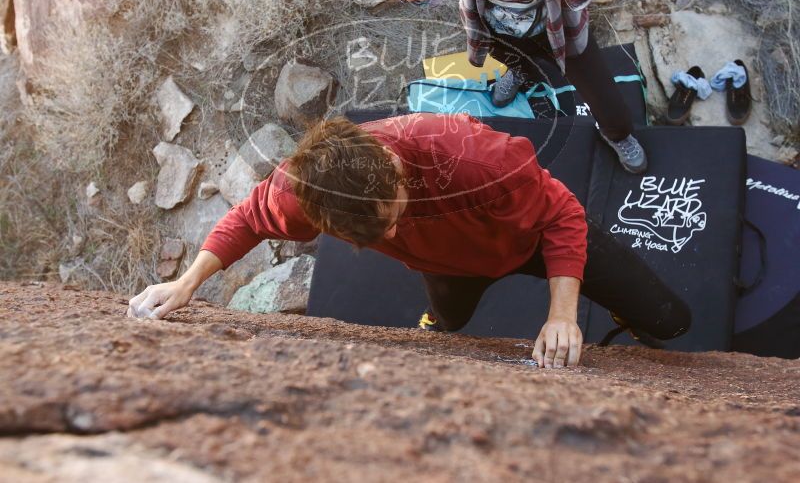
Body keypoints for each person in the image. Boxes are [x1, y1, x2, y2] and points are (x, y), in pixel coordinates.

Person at [128, 113, 690, 369]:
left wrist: (562, 314)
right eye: (378, 235)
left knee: (670, 320)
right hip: (449, 265)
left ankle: (633, 319)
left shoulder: (473, 157)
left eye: (393, 215)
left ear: (396, 170)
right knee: (447, 323)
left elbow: (562, 213)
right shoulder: (309, 189)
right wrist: (188, 282)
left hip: (530, 239)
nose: (393, 233)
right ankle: (438, 317)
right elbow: (248, 218)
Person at [387, 0, 648, 174]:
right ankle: (522, 73)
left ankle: (619, 134)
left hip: (560, 32)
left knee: (605, 98)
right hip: (501, 32)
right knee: (519, 63)